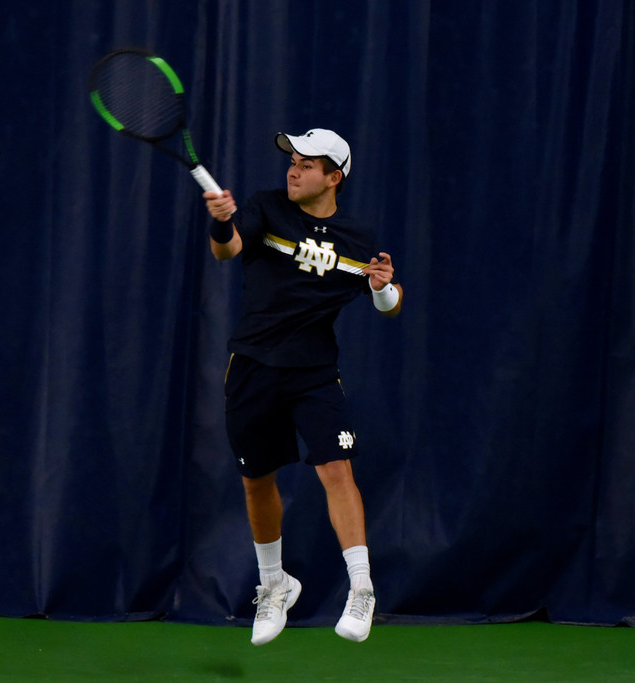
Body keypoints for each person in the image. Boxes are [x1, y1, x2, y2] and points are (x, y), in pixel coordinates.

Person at [203, 128, 403, 645]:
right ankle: (275, 583)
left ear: (334, 178)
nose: (293, 169)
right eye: (292, 161)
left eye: (307, 164)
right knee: (256, 479)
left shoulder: (356, 237)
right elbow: (228, 250)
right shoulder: (267, 207)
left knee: (337, 470)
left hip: (313, 373)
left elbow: (390, 300)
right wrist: (222, 222)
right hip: (251, 367)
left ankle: (362, 588)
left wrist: (382, 289)